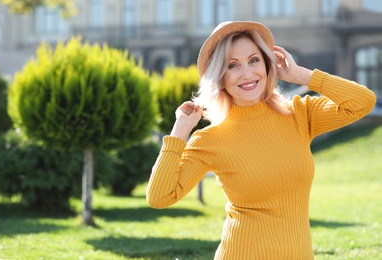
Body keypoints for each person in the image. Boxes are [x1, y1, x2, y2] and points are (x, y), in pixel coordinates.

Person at [146, 21, 376, 259]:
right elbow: (159, 197)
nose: (247, 73)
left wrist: (301, 75)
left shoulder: (299, 114)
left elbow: (362, 102)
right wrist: (179, 133)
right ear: (220, 78)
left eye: (254, 60)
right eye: (233, 65)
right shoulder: (210, 139)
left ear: (267, 64)